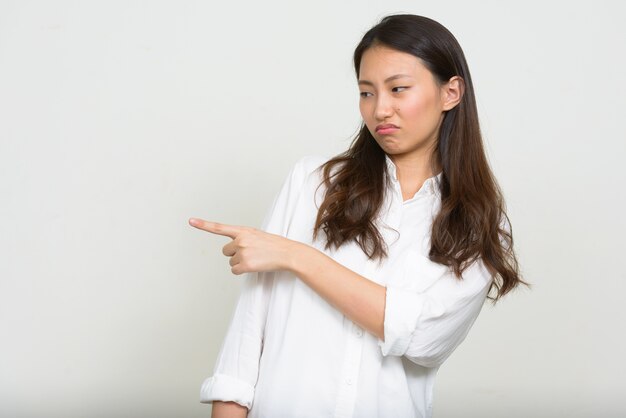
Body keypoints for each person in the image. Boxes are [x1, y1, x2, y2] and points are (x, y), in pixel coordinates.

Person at [189, 14, 526, 418]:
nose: (380, 109)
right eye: (367, 93)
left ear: (450, 92)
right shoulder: (313, 184)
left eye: (398, 89)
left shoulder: (478, 221)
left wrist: (298, 256)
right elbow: (244, 346)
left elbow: (423, 338)